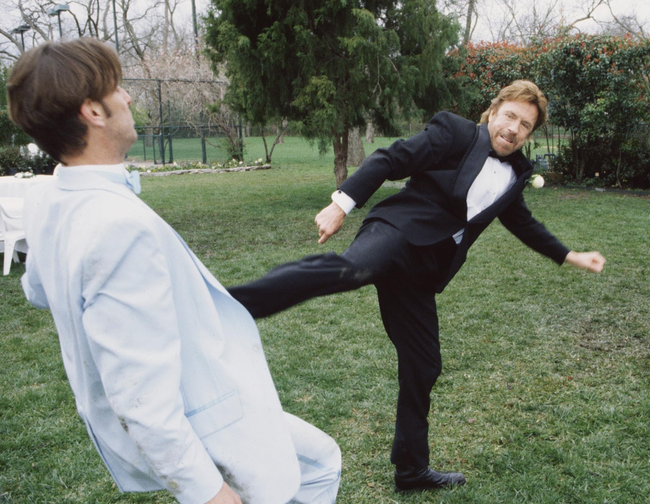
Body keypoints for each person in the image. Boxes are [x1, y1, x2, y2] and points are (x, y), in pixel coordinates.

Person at [228, 80, 606, 492]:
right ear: (494, 112)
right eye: (511, 117)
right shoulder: (456, 133)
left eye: (526, 126)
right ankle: (232, 303)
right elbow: (391, 158)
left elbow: (523, 224)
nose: (515, 129)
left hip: (424, 271)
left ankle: (410, 471)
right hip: (396, 231)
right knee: (350, 271)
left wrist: (570, 256)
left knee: (423, 365)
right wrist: (341, 204)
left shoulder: (517, 173)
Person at [7, 38, 341, 504]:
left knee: (321, 458)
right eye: (118, 88)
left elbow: (38, 290)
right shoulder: (117, 227)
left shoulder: (47, 198)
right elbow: (139, 398)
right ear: (93, 112)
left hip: (198, 407)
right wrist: (207, 492)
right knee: (315, 468)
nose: (129, 97)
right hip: (200, 420)